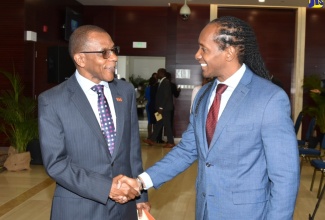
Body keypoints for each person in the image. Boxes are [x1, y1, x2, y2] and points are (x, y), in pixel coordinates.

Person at [118, 16, 300, 219]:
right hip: (205, 211)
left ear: (229, 52)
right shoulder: (203, 96)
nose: (197, 55)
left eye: (203, 48)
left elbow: (285, 176)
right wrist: (141, 182)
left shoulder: (270, 98)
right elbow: (187, 150)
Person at [38, 25, 150, 220]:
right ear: (80, 58)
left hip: (125, 208)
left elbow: (133, 150)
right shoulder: (52, 100)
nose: (114, 58)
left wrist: (141, 195)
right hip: (78, 209)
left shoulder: (125, 91)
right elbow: (56, 163)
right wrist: (106, 188)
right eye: (104, 53)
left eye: (114, 50)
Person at [143, 68, 175, 148]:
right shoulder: (162, 82)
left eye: (158, 73)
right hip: (161, 108)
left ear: (162, 73)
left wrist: (161, 107)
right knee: (159, 123)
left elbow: (166, 96)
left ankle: (171, 142)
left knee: (167, 124)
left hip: (164, 109)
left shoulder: (166, 82)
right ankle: (152, 139)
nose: (157, 74)